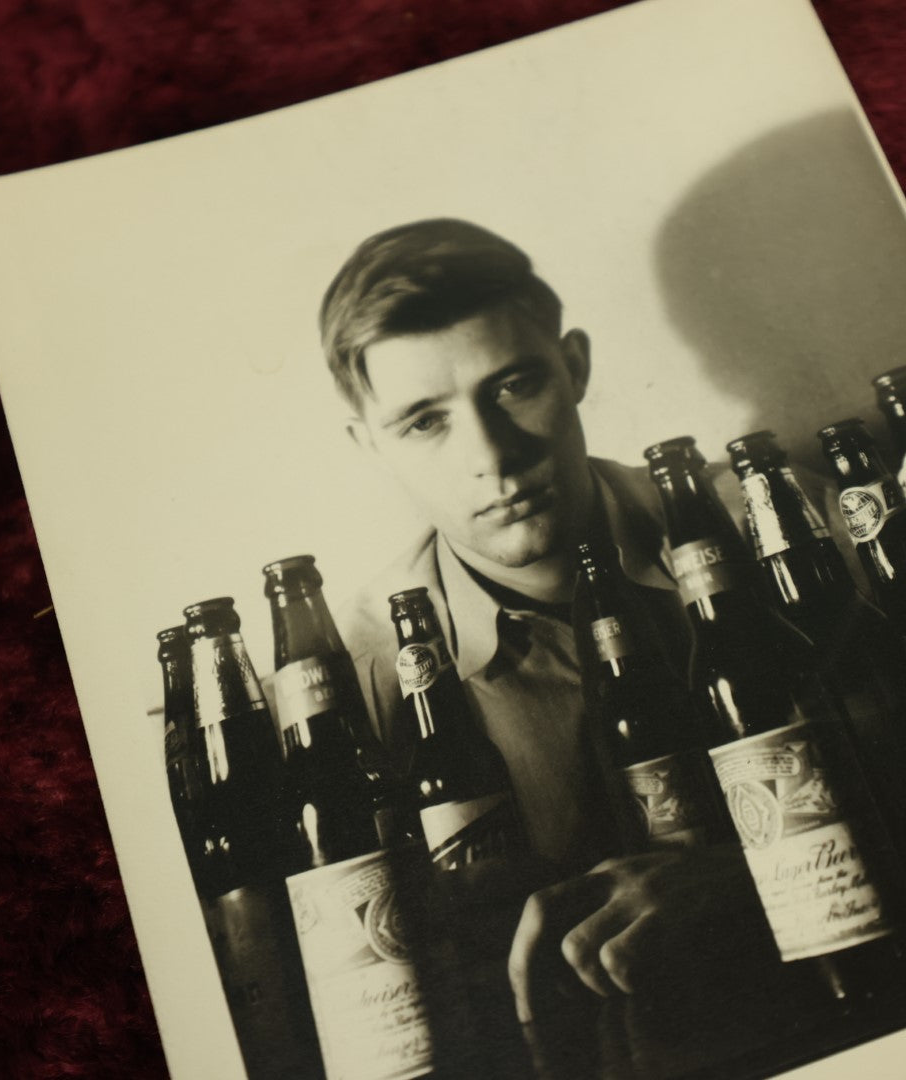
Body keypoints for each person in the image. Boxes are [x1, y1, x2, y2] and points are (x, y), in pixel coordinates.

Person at [319, 218, 788, 1024]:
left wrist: (747, 877)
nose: (492, 456)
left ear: (574, 367)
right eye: (423, 420)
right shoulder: (353, 676)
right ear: (368, 445)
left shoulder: (770, 527)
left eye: (512, 386)